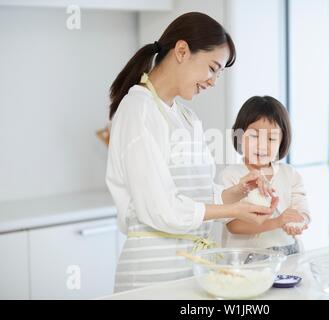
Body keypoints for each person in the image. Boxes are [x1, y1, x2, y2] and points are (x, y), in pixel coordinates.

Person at [105, 12, 278, 293]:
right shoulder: (138, 110)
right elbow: (161, 209)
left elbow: (194, 197)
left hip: (192, 271)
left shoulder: (187, 118)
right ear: (182, 51)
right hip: (151, 279)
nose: (213, 81)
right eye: (212, 68)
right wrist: (234, 210)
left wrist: (237, 192)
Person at [221, 95, 311, 256]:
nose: (262, 145)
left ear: (282, 142)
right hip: (244, 266)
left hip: (289, 256)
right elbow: (234, 226)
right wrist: (277, 222)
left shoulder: (290, 174)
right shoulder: (231, 175)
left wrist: (299, 221)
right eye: (254, 136)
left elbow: (302, 211)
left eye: (271, 138)